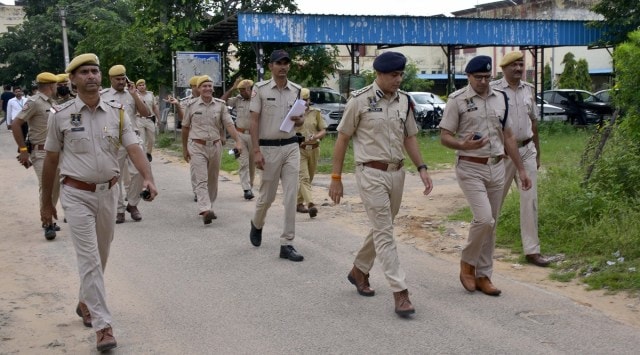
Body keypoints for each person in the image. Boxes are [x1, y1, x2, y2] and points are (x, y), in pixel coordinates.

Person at [40, 53, 158, 352]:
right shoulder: (61, 115)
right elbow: (51, 161)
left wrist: (148, 177)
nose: (92, 76)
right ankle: (103, 327)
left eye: (95, 71)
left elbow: (133, 147)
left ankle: (85, 300)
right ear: (73, 80)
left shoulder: (117, 112)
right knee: (90, 259)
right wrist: (46, 203)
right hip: (75, 194)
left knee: (102, 254)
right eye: (85, 72)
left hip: (109, 192)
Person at [328, 51, 433, 317]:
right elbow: (342, 139)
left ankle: (359, 270)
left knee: (382, 226)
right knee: (385, 231)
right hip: (370, 173)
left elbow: (409, 137)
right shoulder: (360, 100)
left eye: (400, 75)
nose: (398, 79)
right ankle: (401, 292)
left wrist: (422, 167)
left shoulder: (404, 101)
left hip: (397, 173)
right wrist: (336, 178)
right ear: (379, 74)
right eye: (393, 75)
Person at [439, 55, 531, 297]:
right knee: (484, 219)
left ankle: (484, 275)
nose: (483, 81)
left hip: (497, 166)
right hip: (470, 167)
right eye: (478, 77)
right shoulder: (458, 100)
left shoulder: (501, 98)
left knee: (492, 224)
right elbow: (444, 136)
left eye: (487, 77)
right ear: (468, 77)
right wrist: (462, 145)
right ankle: (467, 264)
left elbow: (509, 136)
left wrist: (521, 169)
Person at [490, 51, 549, 267]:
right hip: (503, 154)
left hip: (526, 150)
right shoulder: (493, 91)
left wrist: (538, 154)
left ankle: (532, 251)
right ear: (503, 68)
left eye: (520, 64)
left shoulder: (528, 90)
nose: (518, 68)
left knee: (530, 201)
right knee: (494, 203)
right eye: (513, 65)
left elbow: (534, 123)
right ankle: (485, 250)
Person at [248, 49, 305, 262]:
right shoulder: (260, 89)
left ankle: (287, 243)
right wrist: (256, 151)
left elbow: (300, 118)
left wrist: (300, 120)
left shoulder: (296, 90)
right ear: (271, 66)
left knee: (291, 195)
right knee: (267, 197)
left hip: (290, 146)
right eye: (278, 63)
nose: (282, 67)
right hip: (268, 148)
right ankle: (257, 223)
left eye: (286, 63)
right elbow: (253, 121)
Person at [179, 75, 243, 225]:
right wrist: (184, 149)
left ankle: (209, 206)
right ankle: (205, 208)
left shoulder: (220, 105)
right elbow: (185, 128)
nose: (207, 88)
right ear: (199, 89)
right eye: (204, 86)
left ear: (212, 88)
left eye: (209, 86)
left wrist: (238, 141)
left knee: (213, 179)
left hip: (215, 145)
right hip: (197, 146)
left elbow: (229, 125)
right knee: (201, 179)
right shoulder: (191, 105)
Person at [12, 73, 61, 240]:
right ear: (50, 85)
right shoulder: (34, 102)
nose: (57, 88)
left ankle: (49, 215)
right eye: (55, 85)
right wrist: (23, 150)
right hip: (40, 152)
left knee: (55, 187)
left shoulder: (52, 103)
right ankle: (47, 223)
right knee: (46, 186)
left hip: (55, 152)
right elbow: (16, 124)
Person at [101, 64, 151, 224]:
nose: (121, 81)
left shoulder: (132, 94)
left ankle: (133, 204)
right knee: (115, 177)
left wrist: (135, 95)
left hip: (133, 139)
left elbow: (145, 113)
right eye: (118, 79)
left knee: (139, 173)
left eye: (123, 78)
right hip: (113, 141)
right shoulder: (103, 96)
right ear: (111, 79)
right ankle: (119, 210)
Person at [221, 78, 256, 200]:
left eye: (244, 90)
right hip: (240, 135)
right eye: (240, 90)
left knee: (252, 164)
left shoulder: (258, 99)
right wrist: (232, 89)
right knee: (243, 163)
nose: (242, 93)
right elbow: (222, 101)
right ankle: (246, 189)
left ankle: (250, 186)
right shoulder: (237, 99)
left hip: (255, 136)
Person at [296, 87, 326, 218]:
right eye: (301, 100)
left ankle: (298, 202)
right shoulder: (293, 114)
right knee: (304, 178)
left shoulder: (316, 113)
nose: (304, 102)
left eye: (306, 100)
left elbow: (323, 130)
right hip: (300, 149)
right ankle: (311, 204)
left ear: (309, 100)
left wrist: (316, 136)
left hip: (314, 149)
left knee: (310, 178)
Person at [135, 79, 161, 162]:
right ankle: (143, 157)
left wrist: (159, 119)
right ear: (137, 87)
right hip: (139, 119)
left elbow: (155, 107)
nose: (142, 86)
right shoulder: (135, 95)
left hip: (150, 119)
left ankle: (148, 153)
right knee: (141, 140)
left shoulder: (150, 95)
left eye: (143, 85)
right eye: (140, 85)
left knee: (152, 139)